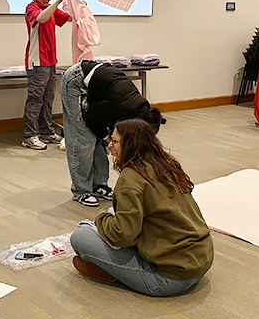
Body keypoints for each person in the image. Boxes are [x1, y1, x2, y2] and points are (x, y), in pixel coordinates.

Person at [69, 119, 214, 296]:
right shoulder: (166, 166)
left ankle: (114, 272)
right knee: (113, 221)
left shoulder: (130, 178)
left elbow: (123, 236)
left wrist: (101, 220)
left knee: (81, 235)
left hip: (168, 278)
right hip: (200, 262)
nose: (110, 146)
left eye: (115, 141)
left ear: (130, 146)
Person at [60, 60, 163, 207]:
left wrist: (108, 140)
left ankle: (99, 185)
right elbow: (92, 118)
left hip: (99, 88)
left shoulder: (139, 109)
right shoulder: (122, 107)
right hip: (75, 81)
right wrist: (109, 140)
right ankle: (81, 191)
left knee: (100, 140)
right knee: (85, 139)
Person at [22, 0, 71, 150]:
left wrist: (77, 5)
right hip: (37, 61)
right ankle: (30, 136)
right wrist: (57, 2)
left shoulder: (49, 8)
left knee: (48, 98)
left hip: (50, 61)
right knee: (35, 99)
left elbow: (68, 18)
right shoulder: (32, 8)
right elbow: (41, 18)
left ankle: (47, 132)